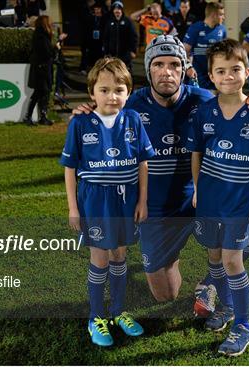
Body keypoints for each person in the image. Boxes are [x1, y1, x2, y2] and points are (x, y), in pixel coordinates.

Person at [72, 35, 249, 306]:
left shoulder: (203, 100)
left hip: (199, 200)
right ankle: (172, 254)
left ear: (184, 68)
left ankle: (212, 281)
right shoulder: (132, 104)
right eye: (158, 64)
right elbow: (103, 109)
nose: (167, 71)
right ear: (148, 69)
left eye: (174, 64)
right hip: (158, 212)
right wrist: (85, 111)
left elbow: (234, 100)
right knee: (166, 295)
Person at [187, 39, 249, 356]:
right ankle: (225, 307)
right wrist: (197, 189)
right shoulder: (203, 113)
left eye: (235, 69)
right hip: (209, 201)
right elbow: (196, 155)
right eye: (220, 71)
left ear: (246, 72)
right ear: (210, 76)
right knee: (214, 258)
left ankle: (243, 325)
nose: (228, 76)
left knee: (232, 261)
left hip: (238, 203)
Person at [60, 57, 154, 347]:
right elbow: (70, 168)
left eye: (118, 89)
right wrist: (73, 208)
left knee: (119, 255)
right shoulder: (80, 122)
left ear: (128, 92)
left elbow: (142, 163)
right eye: (104, 90)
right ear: (92, 93)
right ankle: (96, 317)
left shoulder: (134, 120)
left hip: (125, 199)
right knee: (100, 257)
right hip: (95, 200)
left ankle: (118, 311)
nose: (111, 96)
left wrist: (143, 201)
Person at [24, 15, 66, 126]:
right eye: (49, 22)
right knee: (39, 93)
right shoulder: (41, 36)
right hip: (41, 69)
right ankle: (29, 116)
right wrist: (56, 48)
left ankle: (42, 116)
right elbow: (47, 53)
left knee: (43, 93)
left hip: (42, 68)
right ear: (45, 23)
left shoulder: (42, 35)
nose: (51, 24)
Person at [183, 2, 227, 90]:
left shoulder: (222, 29)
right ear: (213, 15)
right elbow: (185, 50)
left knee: (215, 98)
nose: (224, 17)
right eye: (221, 15)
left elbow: (223, 50)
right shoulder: (195, 28)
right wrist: (189, 67)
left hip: (215, 72)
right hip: (198, 73)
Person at [102, 1, 138, 71]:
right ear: (113, 11)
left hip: (125, 55)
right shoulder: (109, 22)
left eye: (119, 9)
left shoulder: (128, 21)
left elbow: (134, 37)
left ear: (121, 10)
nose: (117, 11)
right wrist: (106, 53)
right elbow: (106, 38)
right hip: (112, 55)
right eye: (115, 9)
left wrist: (133, 51)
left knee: (126, 72)